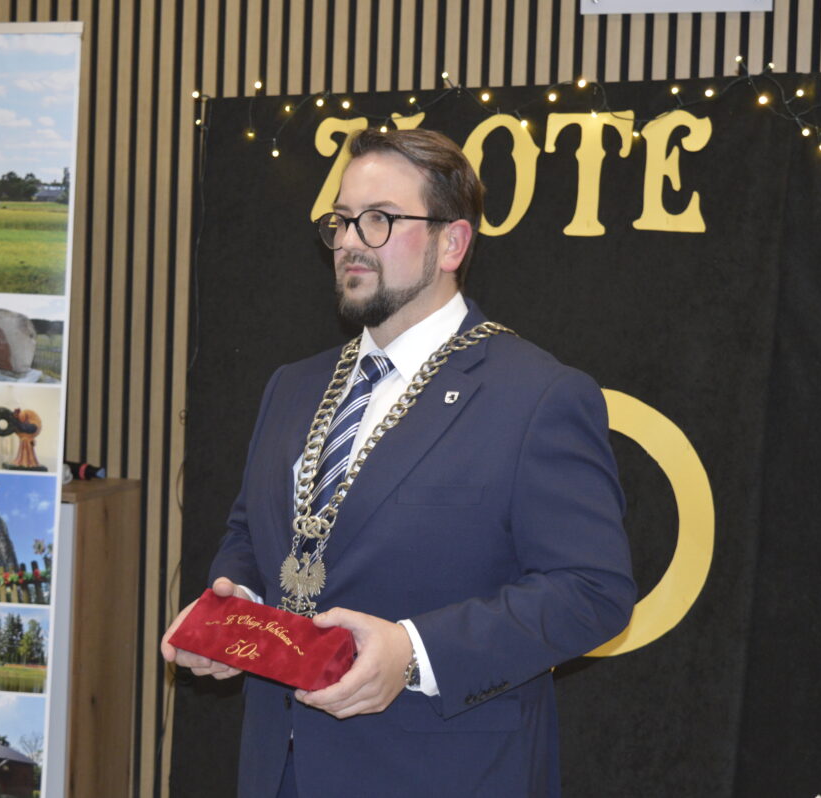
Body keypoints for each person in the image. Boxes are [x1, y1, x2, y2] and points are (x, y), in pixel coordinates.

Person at [161, 128, 635, 797]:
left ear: (452, 243)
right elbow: (251, 536)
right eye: (342, 220)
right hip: (280, 770)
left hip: (442, 776)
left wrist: (414, 653)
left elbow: (593, 594)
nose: (351, 240)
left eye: (380, 219)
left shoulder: (537, 397)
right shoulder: (291, 386)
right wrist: (233, 610)